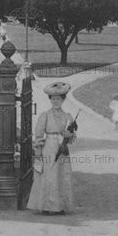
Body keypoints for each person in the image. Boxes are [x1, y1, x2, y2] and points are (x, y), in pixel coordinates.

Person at [27, 81, 77, 215]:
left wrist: (69, 135)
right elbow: (38, 134)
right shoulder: (45, 115)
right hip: (49, 147)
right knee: (49, 176)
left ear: (63, 100)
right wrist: (39, 150)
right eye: (53, 99)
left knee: (62, 176)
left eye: (58, 99)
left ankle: (60, 207)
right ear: (50, 100)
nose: (56, 101)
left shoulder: (68, 117)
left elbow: (72, 137)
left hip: (62, 149)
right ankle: (47, 206)